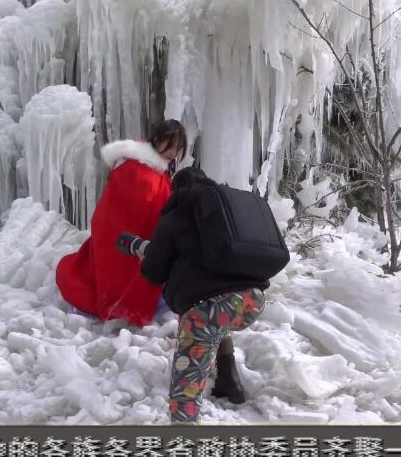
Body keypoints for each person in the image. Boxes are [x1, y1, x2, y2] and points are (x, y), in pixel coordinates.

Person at [118, 167, 270, 424]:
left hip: (208, 310)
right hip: (251, 301)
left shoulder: (175, 217)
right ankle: (229, 381)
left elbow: (154, 272)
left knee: (185, 391)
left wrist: (142, 251)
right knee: (215, 311)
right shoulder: (221, 215)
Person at [55, 120, 187, 326]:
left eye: (178, 148)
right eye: (171, 145)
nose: (174, 152)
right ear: (157, 140)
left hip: (126, 237)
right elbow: (130, 212)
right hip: (120, 239)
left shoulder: (148, 167)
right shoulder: (138, 171)